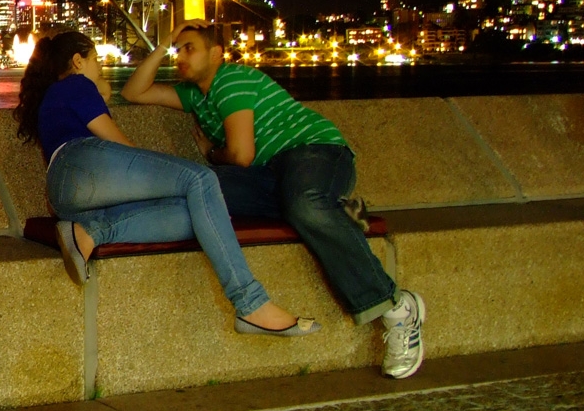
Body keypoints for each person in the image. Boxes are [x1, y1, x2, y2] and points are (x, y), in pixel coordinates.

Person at [122, 20, 426, 378]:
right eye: (178, 50)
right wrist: (161, 47)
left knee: (303, 204)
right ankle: (336, 210)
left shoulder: (230, 79)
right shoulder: (194, 95)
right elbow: (134, 92)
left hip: (312, 152)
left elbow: (241, 155)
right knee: (204, 192)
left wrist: (212, 152)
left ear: (216, 54)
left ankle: (395, 306)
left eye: (189, 48)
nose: (180, 57)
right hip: (272, 176)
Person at [15, 29, 316, 334]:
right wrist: (156, 168)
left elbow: (101, 108)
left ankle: (88, 232)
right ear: (77, 61)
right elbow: (118, 145)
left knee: (194, 215)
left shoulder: (59, 95)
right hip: (82, 163)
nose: (102, 67)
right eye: (96, 59)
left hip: (67, 197)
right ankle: (251, 303)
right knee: (200, 179)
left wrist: (102, 88)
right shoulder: (76, 84)